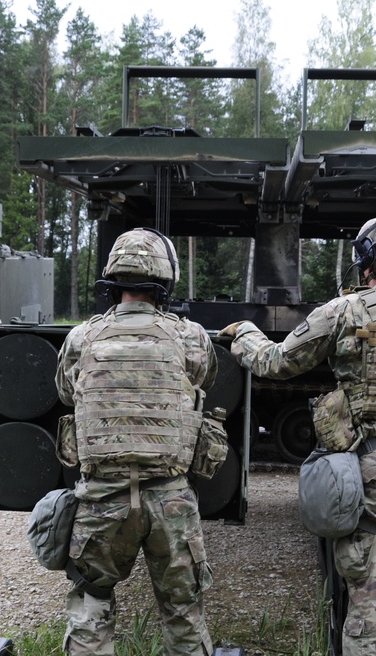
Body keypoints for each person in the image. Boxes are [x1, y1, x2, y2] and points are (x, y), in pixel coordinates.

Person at [221, 216, 376, 656]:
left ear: (366, 261)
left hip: (371, 472)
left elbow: (276, 363)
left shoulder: (345, 311)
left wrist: (244, 333)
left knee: (368, 602)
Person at [54, 227, 218, 655]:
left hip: (102, 494)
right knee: (183, 611)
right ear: (165, 281)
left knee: (91, 601)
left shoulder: (81, 337)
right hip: (170, 498)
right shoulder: (190, 337)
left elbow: (67, 393)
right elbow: (202, 381)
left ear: (112, 278)